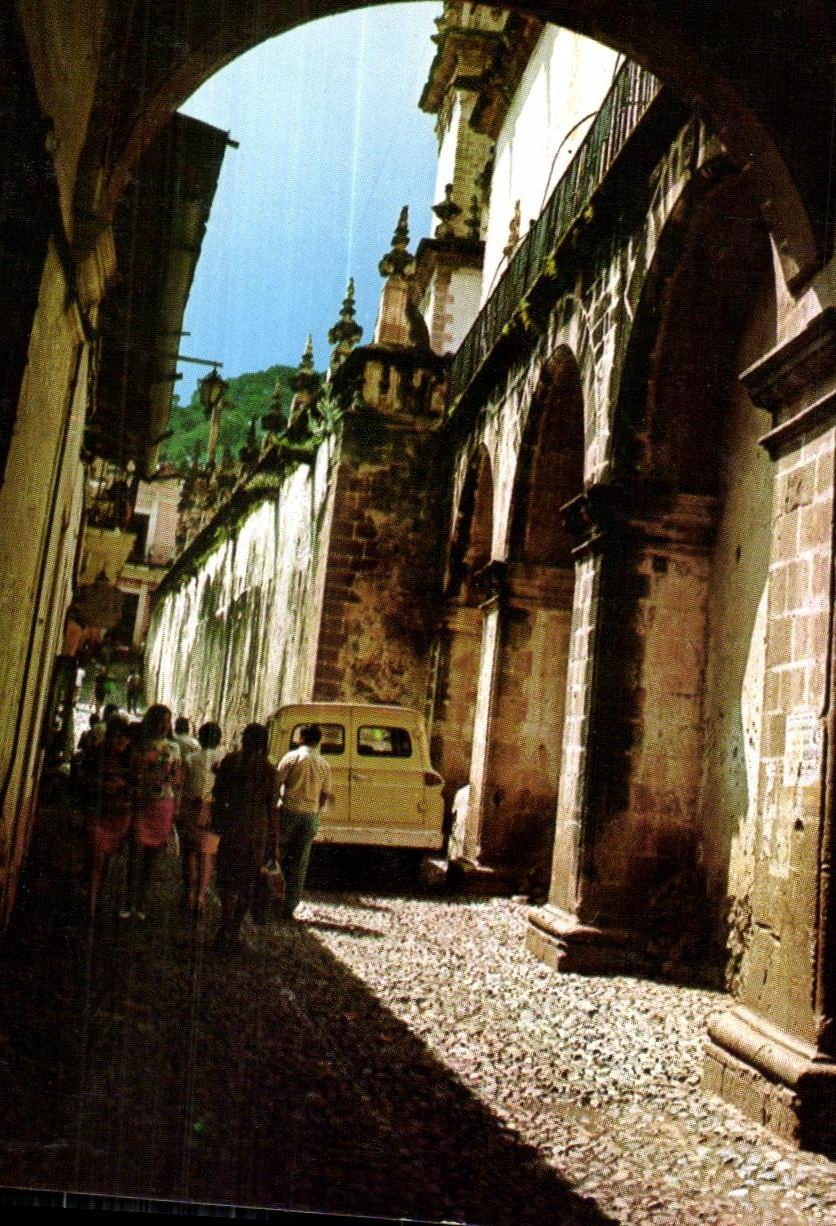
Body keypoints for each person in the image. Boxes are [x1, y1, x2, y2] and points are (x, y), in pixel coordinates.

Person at [212, 723, 280, 951]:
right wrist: (274, 842)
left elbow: (218, 795)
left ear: (244, 740)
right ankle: (235, 927)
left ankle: (226, 924)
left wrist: (218, 822)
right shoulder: (269, 770)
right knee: (248, 881)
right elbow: (272, 808)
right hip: (257, 831)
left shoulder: (230, 762)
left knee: (227, 878)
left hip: (232, 827)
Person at [121, 703, 183, 920]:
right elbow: (131, 770)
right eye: (160, 721)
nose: (163, 726)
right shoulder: (139, 745)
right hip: (141, 802)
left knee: (150, 858)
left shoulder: (174, 748)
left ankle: (140, 903)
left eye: (167, 722)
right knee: (135, 853)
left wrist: (171, 784)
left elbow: (177, 779)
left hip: (163, 805)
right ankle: (128, 901)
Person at [275, 723, 332, 921]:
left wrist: (278, 803)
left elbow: (276, 783)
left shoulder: (291, 758)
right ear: (318, 741)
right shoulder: (324, 764)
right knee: (300, 862)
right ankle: (289, 906)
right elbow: (325, 794)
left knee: (279, 856)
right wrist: (316, 811)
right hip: (310, 815)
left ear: (301, 738)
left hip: (289, 811)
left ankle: (274, 899)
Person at [79, 714, 133, 918]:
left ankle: (97, 896)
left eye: (125, 737)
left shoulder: (131, 758)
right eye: (117, 736)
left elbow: (138, 785)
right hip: (97, 813)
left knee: (107, 859)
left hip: (119, 816)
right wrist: (103, 785)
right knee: (97, 858)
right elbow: (82, 780)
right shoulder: (95, 755)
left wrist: (124, 786)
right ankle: (91, 905)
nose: (121, 741)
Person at [181, 721, 223, 917]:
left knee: (191, 852)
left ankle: (189, 893)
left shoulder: (190, 758)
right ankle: (200, 896)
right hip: (214, 810)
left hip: (192, 807)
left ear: (200, 737)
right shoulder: (224, 759)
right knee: (207, 854)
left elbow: (182, 784)